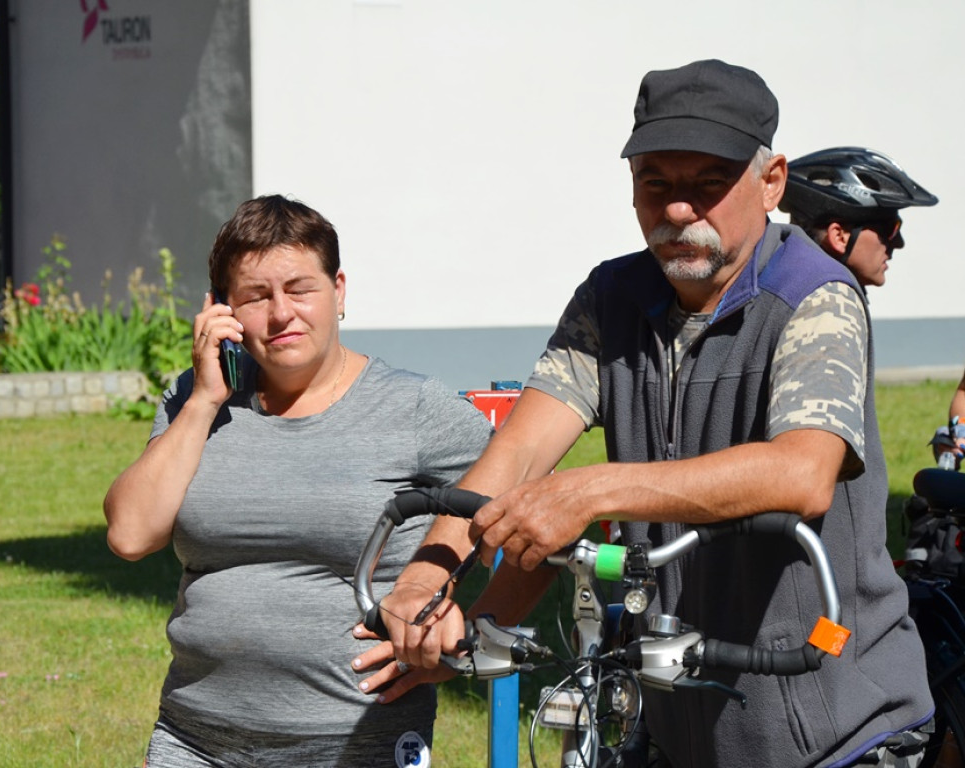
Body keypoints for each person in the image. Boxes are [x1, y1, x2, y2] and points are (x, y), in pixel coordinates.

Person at [353, 59, 935, 768]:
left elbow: (803, 472)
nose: (679, 210)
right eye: (655, 184)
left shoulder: (816, 295)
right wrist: (429, 579)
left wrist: (595, 488)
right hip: (680, 725)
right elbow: (518, 456)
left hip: (835, 728)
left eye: (707, 185)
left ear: (772, 181)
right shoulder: (613, 297)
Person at [103, 195, 492, 768]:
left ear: (338, 290)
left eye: (300, 289)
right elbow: (131, 534)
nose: (281, 313)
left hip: (357, 742)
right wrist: (207, 399)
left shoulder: (413, 407)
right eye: (256, 297)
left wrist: (461, 641)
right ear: (222, 311)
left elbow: (519, 498)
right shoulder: (197, 399)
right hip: (195, 739)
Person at [779, 147, 937, 289]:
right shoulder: (830, 310)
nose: (899, 243)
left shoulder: (789, 289)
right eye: (890, 229)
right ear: (840, 236)